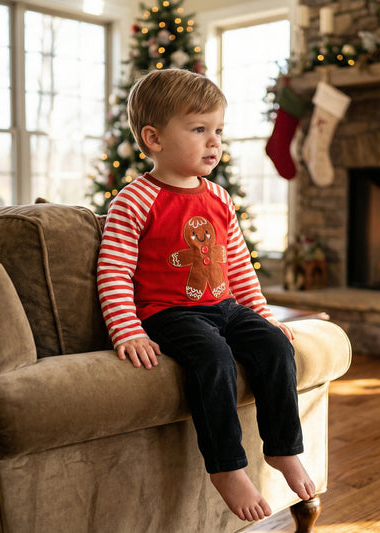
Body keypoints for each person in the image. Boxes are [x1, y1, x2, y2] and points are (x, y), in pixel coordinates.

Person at [97, 68, 315, 522]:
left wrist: (260, 314)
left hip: (226, 306)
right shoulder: (134, 200)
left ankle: (283, 449)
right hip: (171, 313)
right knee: (213, 357)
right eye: (198, 130)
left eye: (218, 130)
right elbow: (114, 271)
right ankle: (227, 468)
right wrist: (127, 330)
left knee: (274, 345)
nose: (214, 142)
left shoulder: (217, 196)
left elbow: (237, 264)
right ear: (153, 138)